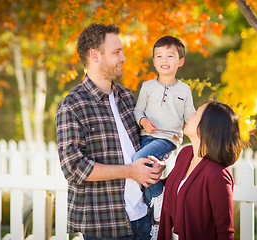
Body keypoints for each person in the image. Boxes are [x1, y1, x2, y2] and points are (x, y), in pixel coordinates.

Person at [55, 23, 165, 239]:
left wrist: (155, 162)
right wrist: (130, 171)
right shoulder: (73, 105)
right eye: (116, 52)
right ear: (95, 56)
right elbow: (73, 167)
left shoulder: (127, 97)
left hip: (143, 218)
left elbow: (141, 145)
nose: (123, 58)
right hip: (105, 226)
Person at [132, 36, 195, 237]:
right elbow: (137, 111)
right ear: (154, 61)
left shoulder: (184, 90)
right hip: (146, 136)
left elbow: (191, 117)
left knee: (136, 161)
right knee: (143, 172)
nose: (164, 59)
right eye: (159, 56)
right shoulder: (147, 86)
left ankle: (159, 196)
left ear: (180, 61)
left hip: (167, 140)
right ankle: (156, 222)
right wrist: (143, 122)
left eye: (170, 55)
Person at [157, 101, 242, 240]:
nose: (190, 115)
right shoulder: (185, 153)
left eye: (196, 113)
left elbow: (225, 232)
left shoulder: (217, 175)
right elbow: (174, 186)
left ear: (208, 126)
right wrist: (153, 172)